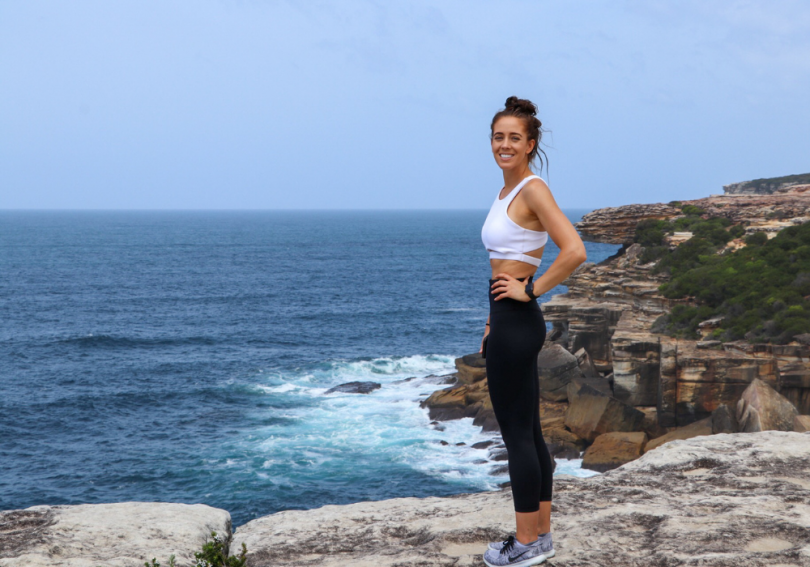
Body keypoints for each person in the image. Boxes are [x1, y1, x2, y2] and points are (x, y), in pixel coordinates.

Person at [479, 96, 587, 567]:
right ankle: (540, 537)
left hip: (519, 317)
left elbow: (574, 250)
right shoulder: (507, 191)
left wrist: (531, 290)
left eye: (514, 138)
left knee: (517, 435)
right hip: (507, 320)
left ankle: (524, 545)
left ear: (530, 144)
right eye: (498, 136)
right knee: (531, 433)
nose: (505, 144)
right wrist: (491, 320)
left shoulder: (532, 189)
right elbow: (502, 261)